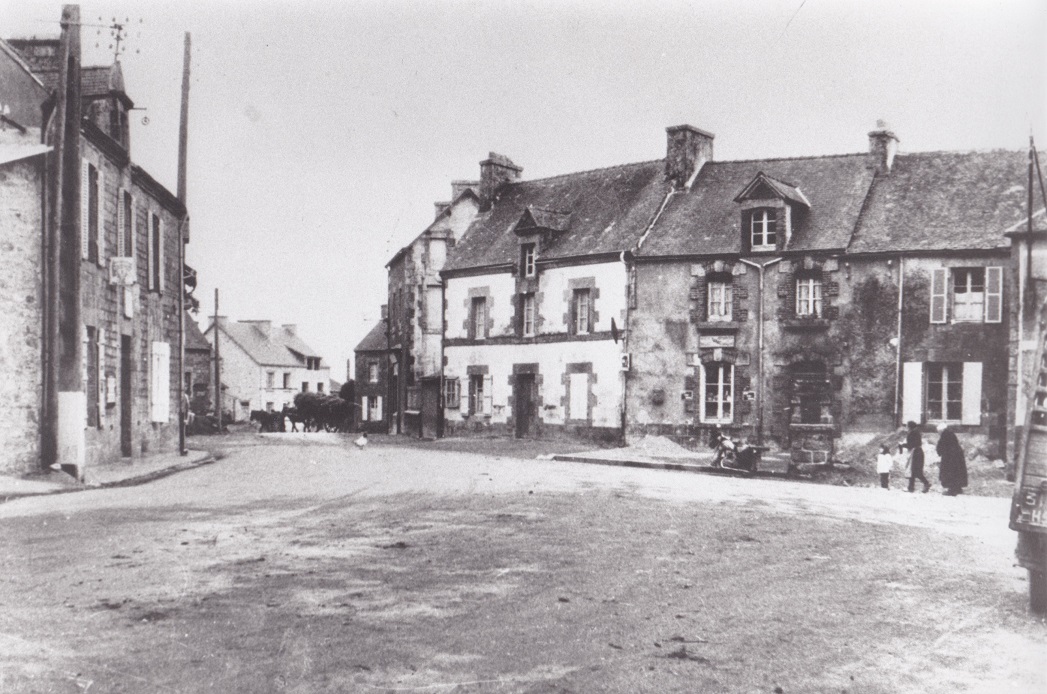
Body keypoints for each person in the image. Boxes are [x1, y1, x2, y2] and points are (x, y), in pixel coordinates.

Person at [936, 423, 968, 496]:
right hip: (956, 456)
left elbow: (941, 446)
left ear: (941, 430)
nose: (938, 433)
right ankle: (958, 488)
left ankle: (952, 490)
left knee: (950, 473)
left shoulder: (945, 435)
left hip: (950, 457)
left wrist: (939, 452)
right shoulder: (951, 433)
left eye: (938, 432)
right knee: (958, 472)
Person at [902, 421, 930, 493]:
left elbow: (911, 445)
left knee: (916, 471)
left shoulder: (912, 433)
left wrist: (903, 445)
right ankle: (911, 488)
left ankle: (926, 483)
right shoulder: (916, 432)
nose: (906, 428)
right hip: (918, 452)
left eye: (907, 426)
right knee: (914, 471)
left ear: (910, 427)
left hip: (916, 454)